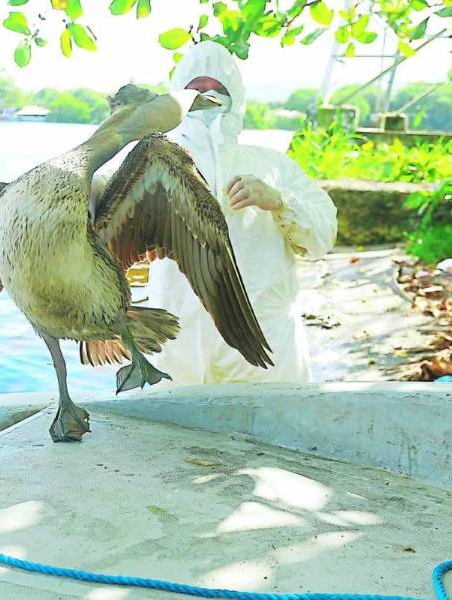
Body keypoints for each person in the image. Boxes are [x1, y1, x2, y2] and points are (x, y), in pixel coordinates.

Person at [126, 41, 338, 384]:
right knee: (173, 436)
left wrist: (277, 200)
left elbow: (323, 236)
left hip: (264, 355)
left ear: (236, 96)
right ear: (178, 96)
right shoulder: (151, 167)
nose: (208, 96)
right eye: (197, 88)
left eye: (218, 89)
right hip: (177, 351)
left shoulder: (272, 166)